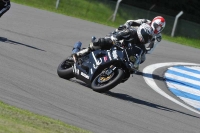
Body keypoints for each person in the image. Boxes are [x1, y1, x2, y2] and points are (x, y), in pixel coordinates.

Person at [71, 16, 166, 70]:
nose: (158, 29)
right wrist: (125, 28)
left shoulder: (158, 37)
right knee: (108, 41)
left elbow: (151, 49)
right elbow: (130, 22)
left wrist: (143, 51)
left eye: (160, 28)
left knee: (142, 59)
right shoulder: (145, 22)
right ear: (153, 22)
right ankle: (82, 52)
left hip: (138, 44)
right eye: (157, 26)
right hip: (129, 35)